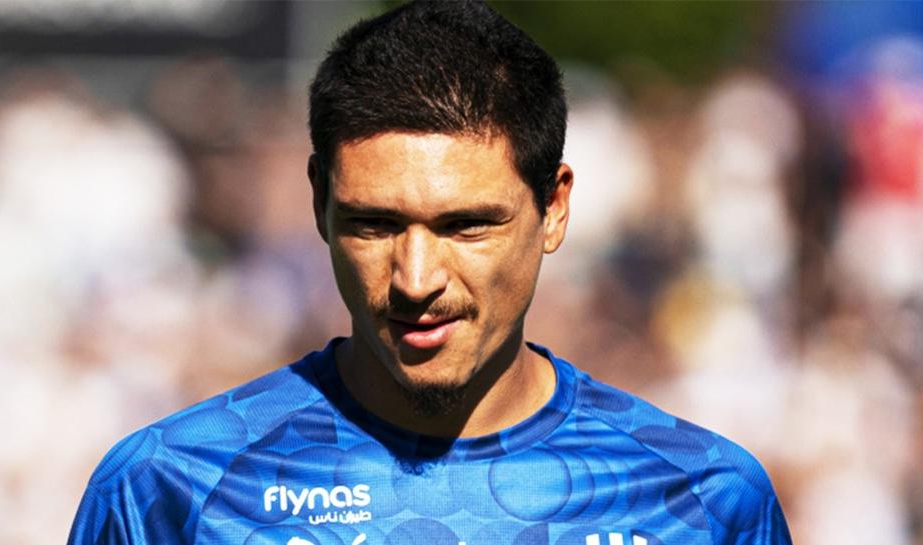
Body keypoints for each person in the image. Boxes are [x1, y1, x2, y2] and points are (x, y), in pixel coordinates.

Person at [68, 2, 793, 544]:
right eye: (375, 224)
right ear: (319, 204)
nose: (416, 280)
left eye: (466, 226)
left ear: (554, 208)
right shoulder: (172, 488)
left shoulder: (702, 499)